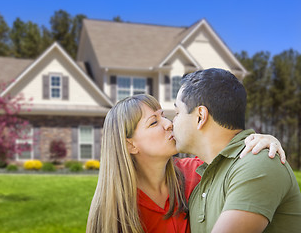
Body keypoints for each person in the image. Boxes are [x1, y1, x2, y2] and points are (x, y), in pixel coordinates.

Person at [86, 94, 285, 233]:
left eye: (163, 115)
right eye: (154, 122)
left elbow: (236, 159)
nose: (169, 124)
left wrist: (261, 141)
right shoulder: (117, 210)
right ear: (130, 145)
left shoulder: (196, 172)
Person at [172, 68, 301, 233]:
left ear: (200, 116)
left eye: (177, 113)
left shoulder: (257, 162)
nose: (172, 123)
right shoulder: (202, 183)